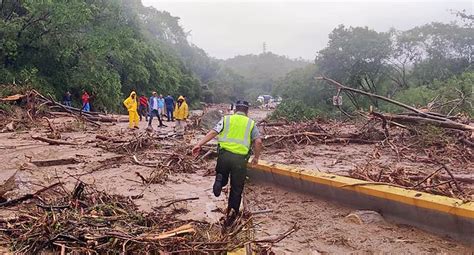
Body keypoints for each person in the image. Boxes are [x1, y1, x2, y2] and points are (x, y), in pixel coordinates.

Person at [192, 100, 263, 225]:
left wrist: (199, 144)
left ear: (235, 109)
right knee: (236, 188)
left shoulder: (226, 119)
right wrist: (256, 158)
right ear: (247, 111)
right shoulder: (251, 123)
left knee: (222, 174)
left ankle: (220, 180)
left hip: (224, 156)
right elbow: (258, 142)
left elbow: (213, 132)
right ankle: (231, 215)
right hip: (240, 160)